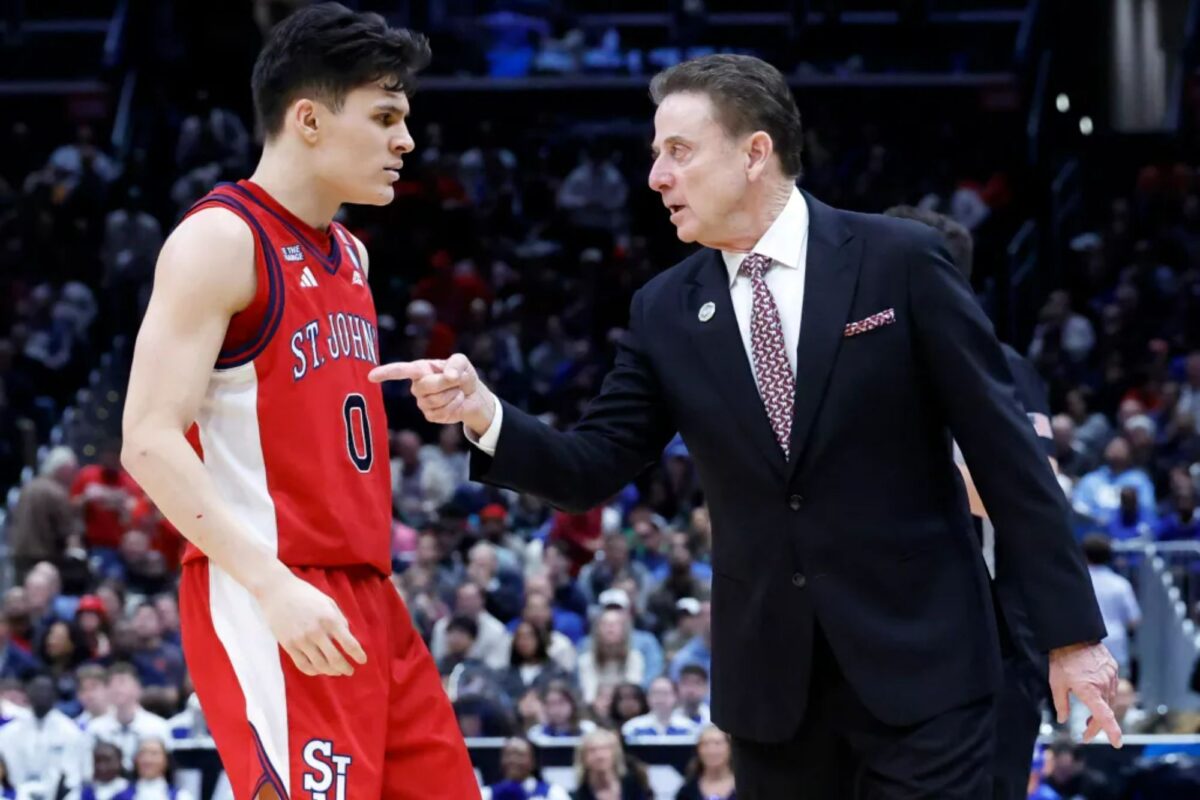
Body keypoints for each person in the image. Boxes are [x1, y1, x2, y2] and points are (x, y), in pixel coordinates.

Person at [373, 52, 1119, 796]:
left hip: (927, 672)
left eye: (679, 151)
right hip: (773, 694)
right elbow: (590, 466)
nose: (656, 177)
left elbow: (1008, 458)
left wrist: (1073, 636)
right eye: (656, 154)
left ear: (755, 152)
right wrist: (484, 413)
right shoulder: (664, 310)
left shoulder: (902, 261)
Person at [119, 4, 476, 798]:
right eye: (384, 117)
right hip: (273, 584)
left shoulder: (350, 253)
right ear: (308, 119)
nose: (406, 141)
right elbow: (146, 438)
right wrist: (272, 585)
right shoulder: (221, 239)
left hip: (369, 590)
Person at [884, 204, 1058, 800]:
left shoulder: (1001, 365)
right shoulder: (848, 361)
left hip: (989, 635)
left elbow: (1036, 487)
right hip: (880, 626)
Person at [481, 736, 571, 800]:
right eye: (508, 755)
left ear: (533, 761)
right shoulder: (486, 794)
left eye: (519, 755)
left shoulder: (553, 793)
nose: (513, 760)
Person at [675, 725, 736, 800]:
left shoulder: (744, 787)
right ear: (698, 750)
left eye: (717, 743)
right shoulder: (688, 791)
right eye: (705, 744)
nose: (711, 750)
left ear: (730, 748)